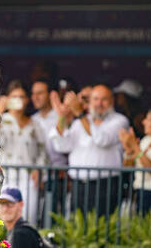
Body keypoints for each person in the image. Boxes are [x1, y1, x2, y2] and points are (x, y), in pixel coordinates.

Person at [49, 85, 129, 217]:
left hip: (105, 185)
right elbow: (62, 146)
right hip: (78, 185)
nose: (99, 103)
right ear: (90, 102)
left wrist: (80, 114)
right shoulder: (79, 123)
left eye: (104, 99)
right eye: (96, 99)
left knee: (102, 230)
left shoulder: (119, 120)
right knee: (78, 229)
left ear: (112, 101)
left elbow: (102, 139)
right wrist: (62, 117)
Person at [0, 80, 46, 225]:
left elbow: (42, 150)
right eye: (14, 97)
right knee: (4, 218)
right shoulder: (1, 120)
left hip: (28, 177)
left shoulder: (34, 123)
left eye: (22, 97)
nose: (18, 100)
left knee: (28, 216)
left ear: (27, 100)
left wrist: (39, 170)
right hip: (6, 175)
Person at [30, 79, 67, 222]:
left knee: (54, 218)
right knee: (35, 216)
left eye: (40, 93)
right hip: (35, 177)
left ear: (51, 95)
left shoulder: (61, 116)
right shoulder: (32, 119)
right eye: (33, 94)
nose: (35, 97)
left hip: (58, 175)